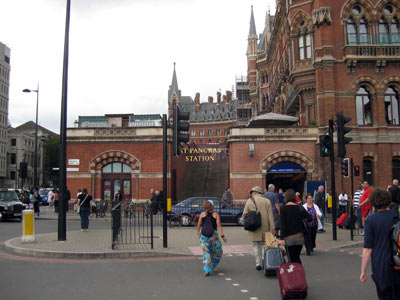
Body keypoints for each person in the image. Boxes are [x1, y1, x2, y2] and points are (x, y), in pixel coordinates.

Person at [360, 188, 400, 299]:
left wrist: (363, 270)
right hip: (398, 262)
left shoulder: (371, 220)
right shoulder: (396, 215)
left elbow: (368, 249)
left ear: (373, 202)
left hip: (381, 265)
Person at [242, 186, 275, 270]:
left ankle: (258, 263)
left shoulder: (249, 201)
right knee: (264, 244)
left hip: (254, 227)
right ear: (260, 193)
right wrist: (272, 228)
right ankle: (264, 261)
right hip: (265, 226)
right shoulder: (267, 201)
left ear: (254, 192)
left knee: (256, 245)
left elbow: (244, 214)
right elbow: (270, 216)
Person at [280, 189, 312, 264]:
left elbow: (283, 224)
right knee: (297, 257)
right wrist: (302, 220)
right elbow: (310, 218)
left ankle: (293, 273)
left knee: (291, 258)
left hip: (289, 238)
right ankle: (299, 272)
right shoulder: (299, 208)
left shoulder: (283, 208)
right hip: (300, 237)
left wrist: (282, 238)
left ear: (286, 197)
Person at [197, 200, 227, 276]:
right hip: (213, 236)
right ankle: (213, 265)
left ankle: (207, 270)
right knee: (218, 251)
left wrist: (198, 233)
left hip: (203, 236)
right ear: (213, 207)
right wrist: (223, 236)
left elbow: (199, 225)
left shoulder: (202, 214)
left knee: (206, 253)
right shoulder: (216, 215)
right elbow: (219, 225)